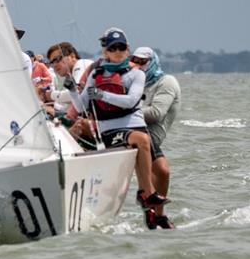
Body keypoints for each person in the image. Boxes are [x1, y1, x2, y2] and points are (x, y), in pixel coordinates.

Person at [66, 28, 174, 229]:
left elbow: (132, 101)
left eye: (121, 47)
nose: (117, 51)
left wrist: (102, 95)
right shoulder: (96, 74)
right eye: (112, 48)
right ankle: (147, 195)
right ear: (105, 51)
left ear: (127, 49)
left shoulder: (136, 74)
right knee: (141, 141)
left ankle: (157, 217)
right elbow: (81, 107)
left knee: (162, 171)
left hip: (137, 127)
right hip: (111, 130)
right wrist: (72, 91)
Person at [131, 47, 181, 197]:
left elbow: (156, 114)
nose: (138, 65)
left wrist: (125, 112)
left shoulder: (167, 82)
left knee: (162, 172)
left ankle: (155, 210)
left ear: (152, 62)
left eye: (143, 62)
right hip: (134, 131)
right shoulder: (135, 82)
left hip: (149, 134)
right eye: (135, 61)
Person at [44, 42, 93, 117]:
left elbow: (76, 93)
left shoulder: (80, 64)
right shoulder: (71, 76)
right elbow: (73, 103)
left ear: (72, 56)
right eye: (51, 63)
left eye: (57, 59)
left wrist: (48, 95)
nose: (54, 65)